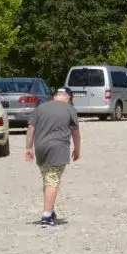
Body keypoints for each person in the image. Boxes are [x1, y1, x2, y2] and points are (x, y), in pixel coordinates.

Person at [25, 88, 80, 227]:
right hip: (58, 148)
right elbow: (75, 131)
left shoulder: (41, 107)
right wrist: (77, 149)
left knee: (47, 179)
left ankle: (50, 210)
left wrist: (28, 148)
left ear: (55, 96)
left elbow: (31, 127)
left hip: (41, 148)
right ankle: (47, 216)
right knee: (53, 181)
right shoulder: (69, 109)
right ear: (69, 97)